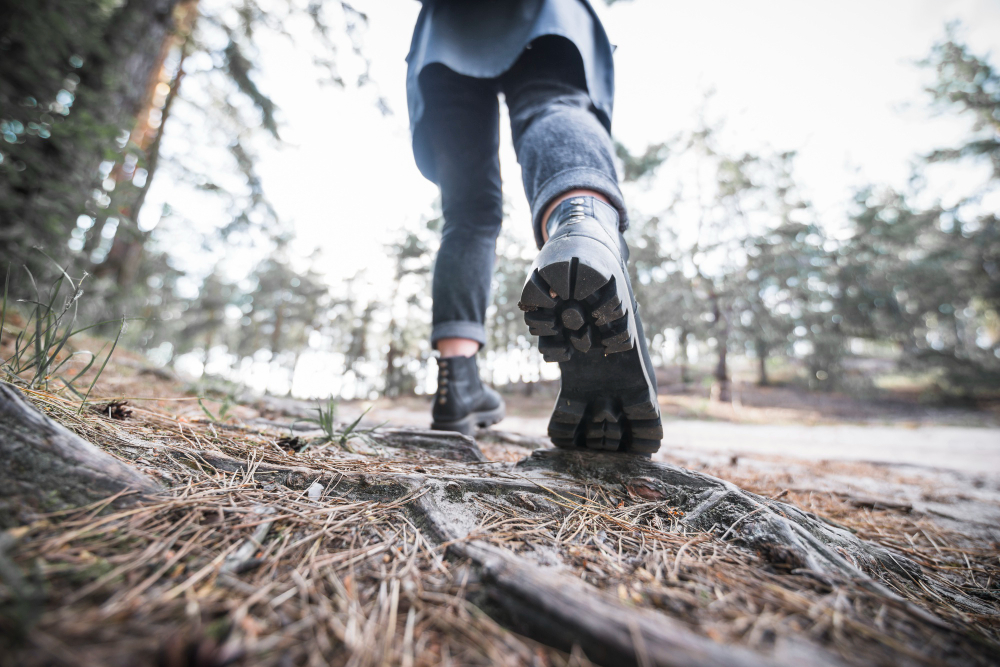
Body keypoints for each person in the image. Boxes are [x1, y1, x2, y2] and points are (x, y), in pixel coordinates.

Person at [407, 0, 662, 454]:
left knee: (468, 214)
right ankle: (582, 227)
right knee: (550, 103)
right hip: (545, 14)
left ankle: (456, 384)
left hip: (445, 32)